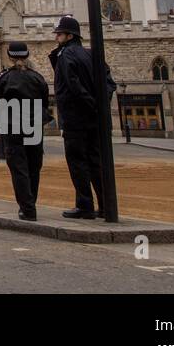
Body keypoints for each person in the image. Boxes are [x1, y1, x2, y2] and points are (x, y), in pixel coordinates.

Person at [49, 15, 104, 220]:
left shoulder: (66, 56)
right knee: (96, 161)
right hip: (94, 120)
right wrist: (99, 106)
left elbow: (72, 86)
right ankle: (106, 205)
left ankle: (85, 205)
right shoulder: (92, 55)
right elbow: (109, 83)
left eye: (59, 34)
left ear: (69, 36)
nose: (56, 38)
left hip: (75, 119)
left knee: (78, 162)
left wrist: (87, 103)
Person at [0, 42, 50, 220]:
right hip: (34, 126)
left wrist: (3, 121)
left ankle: (28, 208)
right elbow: (45, 101)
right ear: (27, 55)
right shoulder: (37, 77)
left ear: (9, 56)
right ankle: (31, 203)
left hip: (13, 126)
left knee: (19, 168)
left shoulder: (5, 77)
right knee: (34, 166)